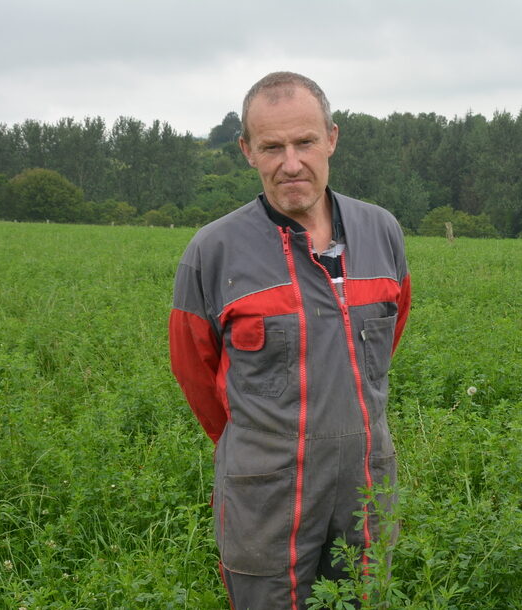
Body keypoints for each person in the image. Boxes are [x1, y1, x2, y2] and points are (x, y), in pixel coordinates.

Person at [168, 72, 411, 609]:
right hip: (266, 494)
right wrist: (262, 445)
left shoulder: (382, 233)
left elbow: (384, 341)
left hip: (365, 483)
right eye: (271, 147)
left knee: (362, 599)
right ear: (247, 152)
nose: (291, 163)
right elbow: (195, 371)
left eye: (304, 142)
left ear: (332, 138)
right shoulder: (213, 252)